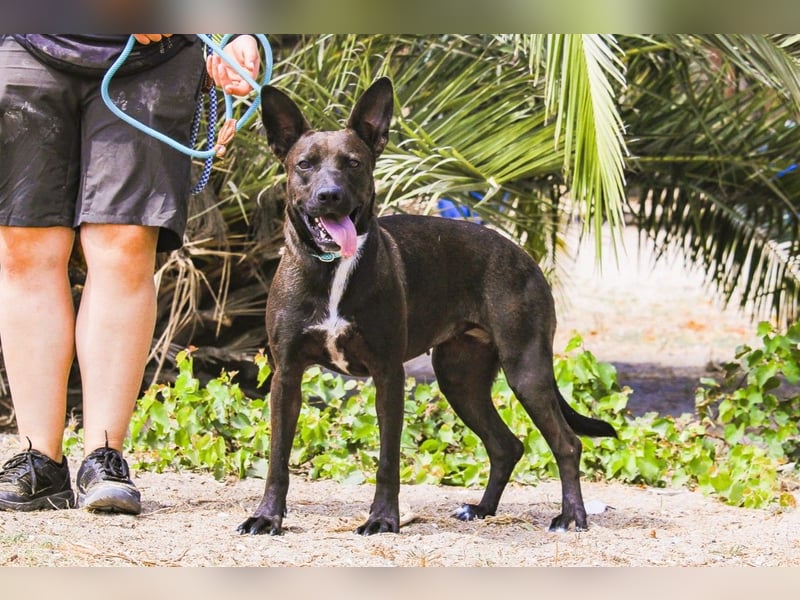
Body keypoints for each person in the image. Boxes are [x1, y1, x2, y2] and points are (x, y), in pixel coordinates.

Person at [0, 33, 260, 514]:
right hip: (24, 35)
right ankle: (38, 459)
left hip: (154, 58)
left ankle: (105, 454)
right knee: (25, 244)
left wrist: (234, 30)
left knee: (124, 244)